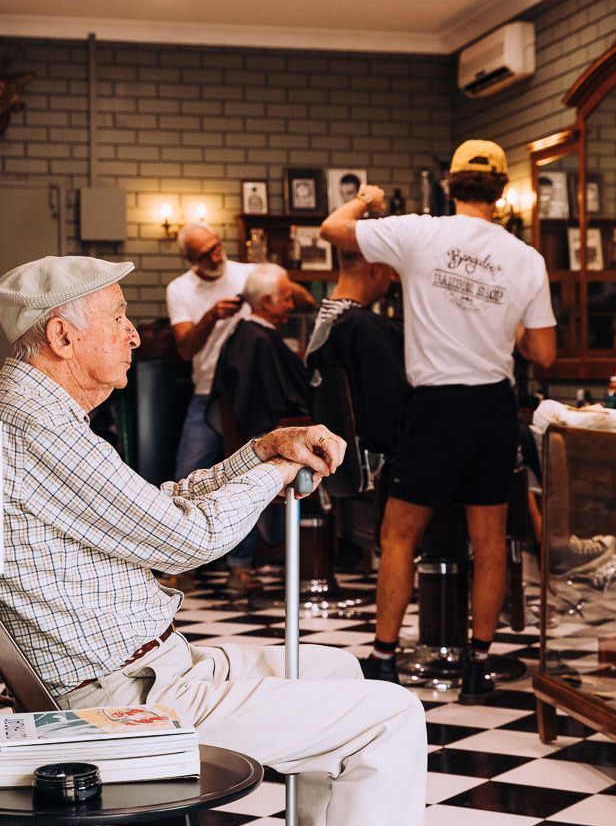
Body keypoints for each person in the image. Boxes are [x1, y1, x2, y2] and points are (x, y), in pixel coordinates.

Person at [0, 254, 472, 826]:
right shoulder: (31, 423)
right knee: (392, 714)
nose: (133, 336)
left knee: (340, 673)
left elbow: (148, 510)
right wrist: (275, 463)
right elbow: (182, 541)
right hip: (121, 707)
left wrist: (258, 451)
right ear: (61, 334)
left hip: (147, 671)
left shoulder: (39, 416)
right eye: (117, 319)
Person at [321, 139, 557, 703]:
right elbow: (544, 355)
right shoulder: (526, 259)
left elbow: (333, 229)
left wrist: (366, 198)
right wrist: (502, 325)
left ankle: (383, 661)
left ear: (450, 186)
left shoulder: (420, 233)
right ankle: (477, 666)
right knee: (491, 541)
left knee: (400, 535)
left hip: (435, 406)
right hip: (493, 405)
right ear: (501, 192)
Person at [166, 224, 314, 595]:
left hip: (248, 394)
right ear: (190, 259)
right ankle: (180, 565)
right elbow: (184, 348)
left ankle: (240, 568)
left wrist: (272, 286)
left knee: (245, 475)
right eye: (205, 254)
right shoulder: (180, 290)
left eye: (217, 247)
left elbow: (301, 298)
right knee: (188, 474)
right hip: (209, 392)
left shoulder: (246, 272)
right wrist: (212, 316)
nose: (216, 257)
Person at [305, 250, 408, 459]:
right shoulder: (365, 328)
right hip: (376, 461)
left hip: (339, 459)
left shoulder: (325, 321)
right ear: (377, 269)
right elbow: (391, 415)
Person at [209, 262, 310, 443]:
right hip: (271, 441)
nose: (292, 305)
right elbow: (271, 407)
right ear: (266, 302)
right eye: (287, 299)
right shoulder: (259, 341)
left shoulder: (249, 334)